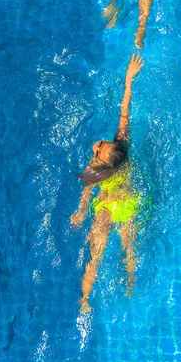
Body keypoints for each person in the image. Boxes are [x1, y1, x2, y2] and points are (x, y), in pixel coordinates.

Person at [70, 52, 145, 313]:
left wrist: (81, 211)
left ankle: (86, 299)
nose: (99, 144)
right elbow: (125, 113)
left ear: (101, 162)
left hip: (106, 206)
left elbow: (88, 188)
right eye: (103, 144)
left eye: (99, 150)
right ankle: (129, 283)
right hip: (128, 203)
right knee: (128, 247)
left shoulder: (96, 170)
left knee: (96, 255)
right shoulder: (122, 148)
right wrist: (129, 80)